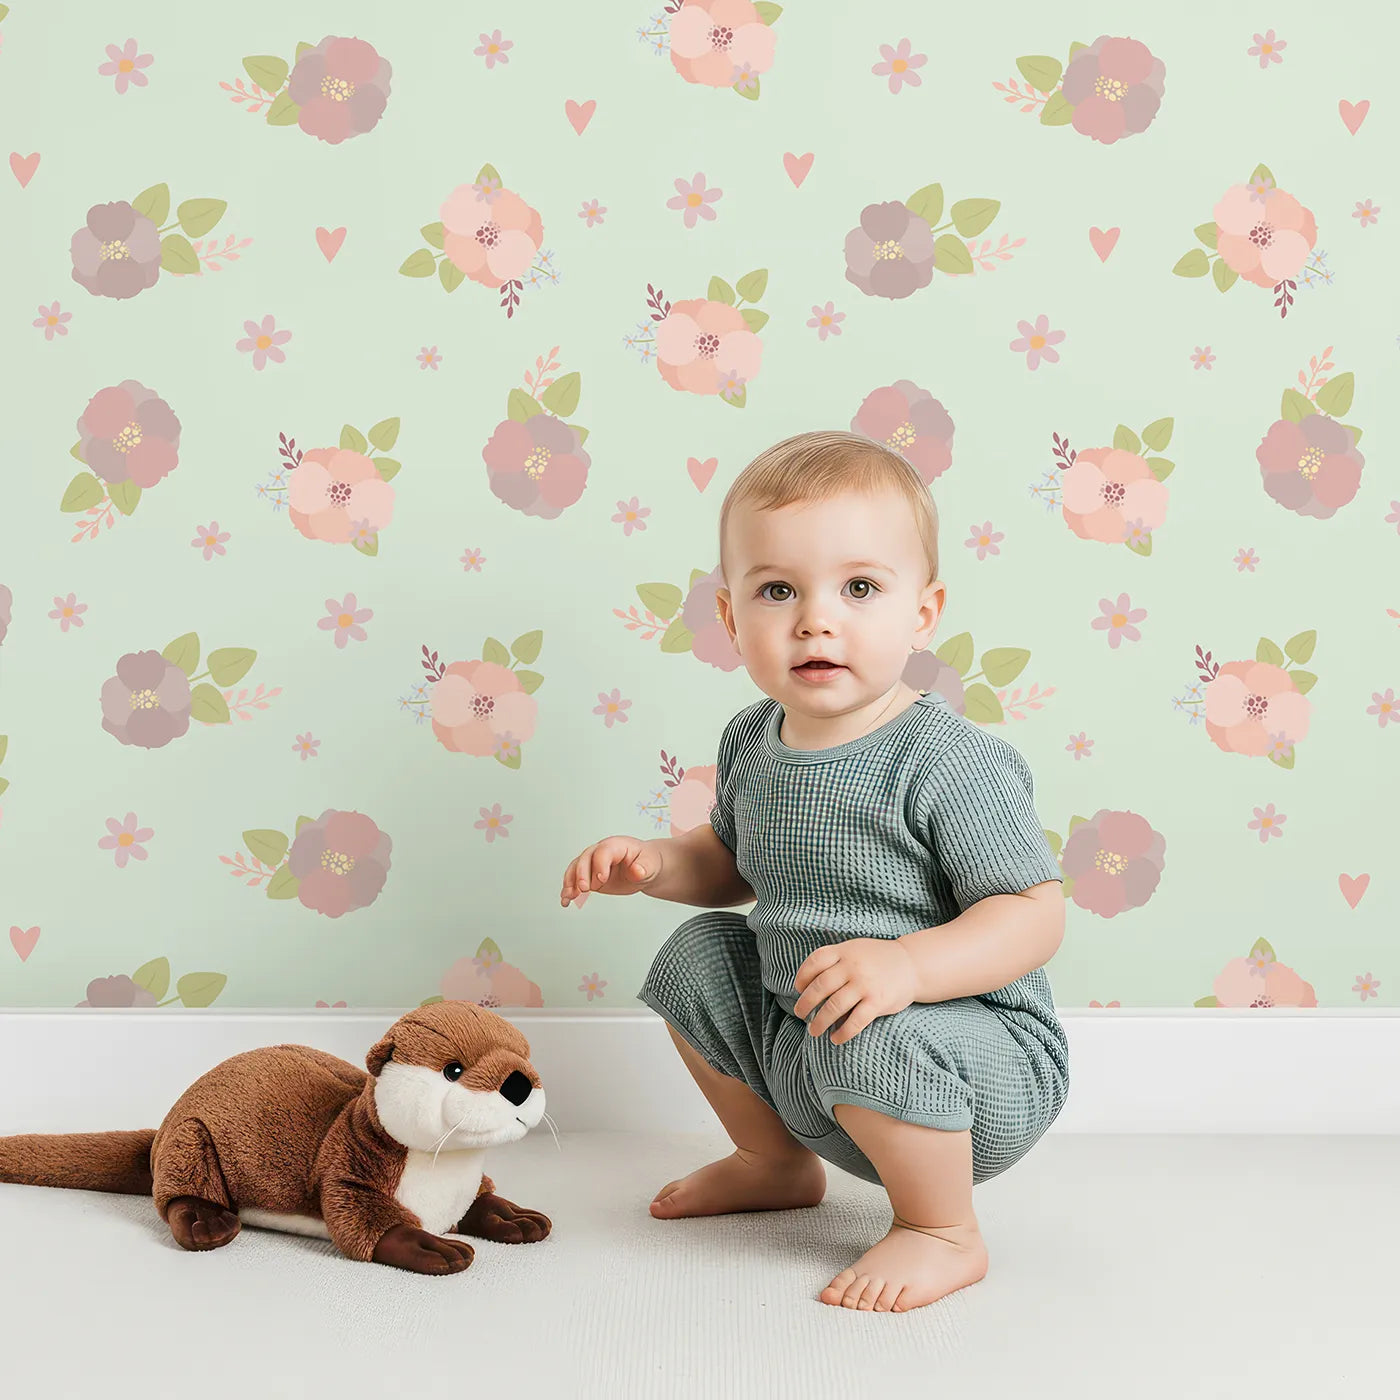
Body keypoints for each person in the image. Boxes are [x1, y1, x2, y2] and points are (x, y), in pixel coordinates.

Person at [559, 429, 1067, 1313]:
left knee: (866, 1022)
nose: (815, 620)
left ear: (923, 613)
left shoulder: (948, 761)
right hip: (812, 1045)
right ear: (730, 620)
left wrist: (907, 967)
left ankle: (942, 1229)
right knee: (695, 954)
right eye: (778, 590)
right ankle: (773, 1161)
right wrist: (655, 864)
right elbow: (732, 866)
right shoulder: (752, 739)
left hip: (964, 1061)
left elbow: (1032, 913)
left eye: (859, 588)